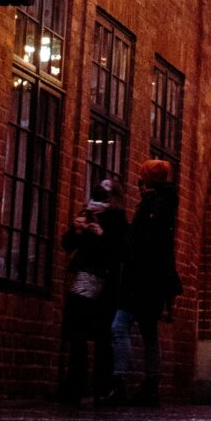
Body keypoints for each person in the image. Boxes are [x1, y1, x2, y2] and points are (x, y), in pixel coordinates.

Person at [107, 158, 182, 407]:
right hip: (153, 280)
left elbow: (141, 240)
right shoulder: (164, 201)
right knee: (149, 333)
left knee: (120, 327)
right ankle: (150, 385)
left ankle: (119, 382)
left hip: (141, 278)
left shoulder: (154, 203)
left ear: (148, 179)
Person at [59, 175, 127, 404]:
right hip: (83, 277)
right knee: (77, 332)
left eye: (107, 188)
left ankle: (102, 386)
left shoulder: (117, 218)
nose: (101, 191)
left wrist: (101, 234)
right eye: (100, 187)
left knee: (101, 336)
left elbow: (119, 251)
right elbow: (68, 245)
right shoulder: (87, 211)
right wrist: (77, 230)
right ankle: (74, 386)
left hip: (103, 281)